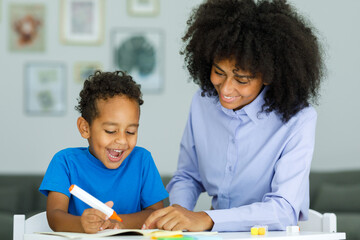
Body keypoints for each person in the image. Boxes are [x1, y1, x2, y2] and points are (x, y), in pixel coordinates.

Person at [143, 0, 324, 232]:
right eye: (219, 72)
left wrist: (207, 218)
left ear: (268, 75)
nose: (226, 89)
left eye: (242, 79)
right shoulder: (202, 103)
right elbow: (188, 175)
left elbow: (283, 210)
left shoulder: (299, 119)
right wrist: (179, 216)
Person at [39, 71, 168, 233]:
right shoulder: (65, 162)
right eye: (111, 131)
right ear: (85, 128)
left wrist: (118, 223)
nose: (122, 140)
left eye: (130, 132)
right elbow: (55, 217)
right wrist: (82, 224)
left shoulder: (142, 160)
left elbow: (155, 214)